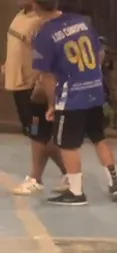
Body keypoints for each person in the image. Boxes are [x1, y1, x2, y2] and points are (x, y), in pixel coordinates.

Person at [29, 0, 117, 205]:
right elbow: (99, 53)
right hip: (94, 90)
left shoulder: (44, 34)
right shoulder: (82, 22)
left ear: (35, 6)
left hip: (71, 96)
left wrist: (52, 104)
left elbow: (46, 76)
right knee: (99, 138)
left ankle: (76, 192)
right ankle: (115, 183)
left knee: (68, 145)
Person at [5, 0, 67, 196]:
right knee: (38, 134)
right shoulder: (21, 15)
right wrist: (8, 67)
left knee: (38, 134)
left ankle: (35, 178)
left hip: (33, 86)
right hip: (18, 84)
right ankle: (70, 173)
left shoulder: (43, 20)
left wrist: (44, 84)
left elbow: (48, 55)